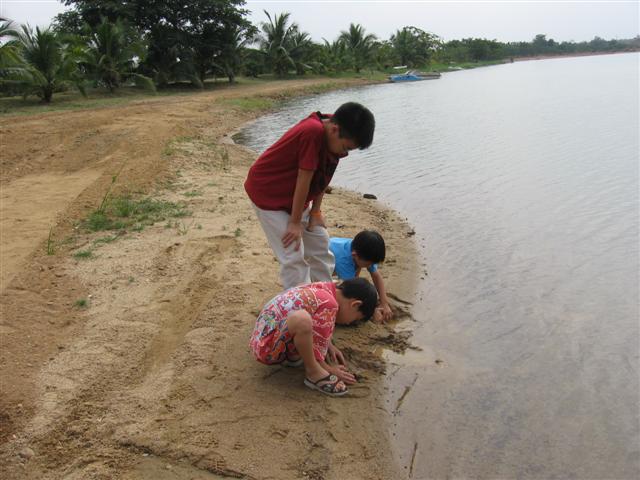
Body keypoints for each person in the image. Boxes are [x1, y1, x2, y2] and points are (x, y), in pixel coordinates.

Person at [244, 102, 375, 290]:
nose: (345, 153)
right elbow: (304, 178)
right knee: (293, 253)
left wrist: (315, 211)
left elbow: (323, 176)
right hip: (268, 193)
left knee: (320, 240)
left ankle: (324, 292)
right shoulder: (312, 132)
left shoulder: (336, 133)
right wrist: (295, 222)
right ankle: (302, 302)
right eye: (345, 147)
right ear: (334, 130)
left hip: (295, 195)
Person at [249, 278, 378, 397]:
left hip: (263, 336)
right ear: (355, 304)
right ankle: (313, 372)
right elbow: (317, 349)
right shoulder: (331, 304)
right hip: (266, 349)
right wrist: (329, 369)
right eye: (355, 319)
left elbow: (317, 326)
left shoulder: (325, 287)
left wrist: (328, 343)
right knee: (302, 320)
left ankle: (292, 357)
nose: (350, 323)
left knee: (304, 319)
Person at [329, 230, 393, 322]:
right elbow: (353, 289)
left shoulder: (361, 250)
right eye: (368, 264)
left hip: (333, 251)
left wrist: (384, 303)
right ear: (354, 255)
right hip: (316, 263)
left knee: (358, 266)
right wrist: (372, 311)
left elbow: (376, 276)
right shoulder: (344, 261)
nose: (370, 266)